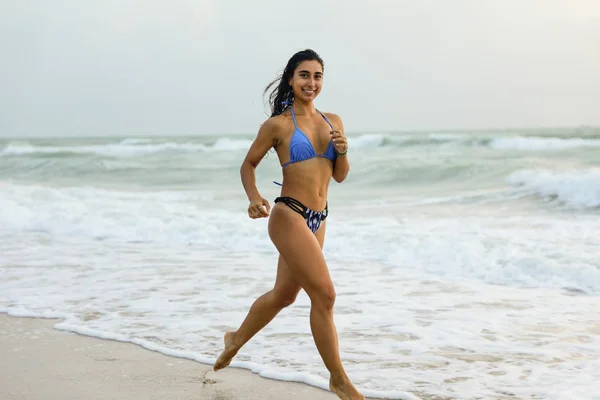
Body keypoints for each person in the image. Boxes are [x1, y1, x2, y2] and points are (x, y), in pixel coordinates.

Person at [213, 49, 365, 400]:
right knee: (325, 295)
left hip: (318, 218)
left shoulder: (333, 121)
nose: (311, 83)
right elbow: (247, 165)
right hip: (289, 214)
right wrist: (253, 198)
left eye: (317, 76)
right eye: (304, 76)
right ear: (291, 80)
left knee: (284, 295)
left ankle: (235, 339)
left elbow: (339, 178)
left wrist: (342, 151)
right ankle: (339, 379)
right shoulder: (279, 125)